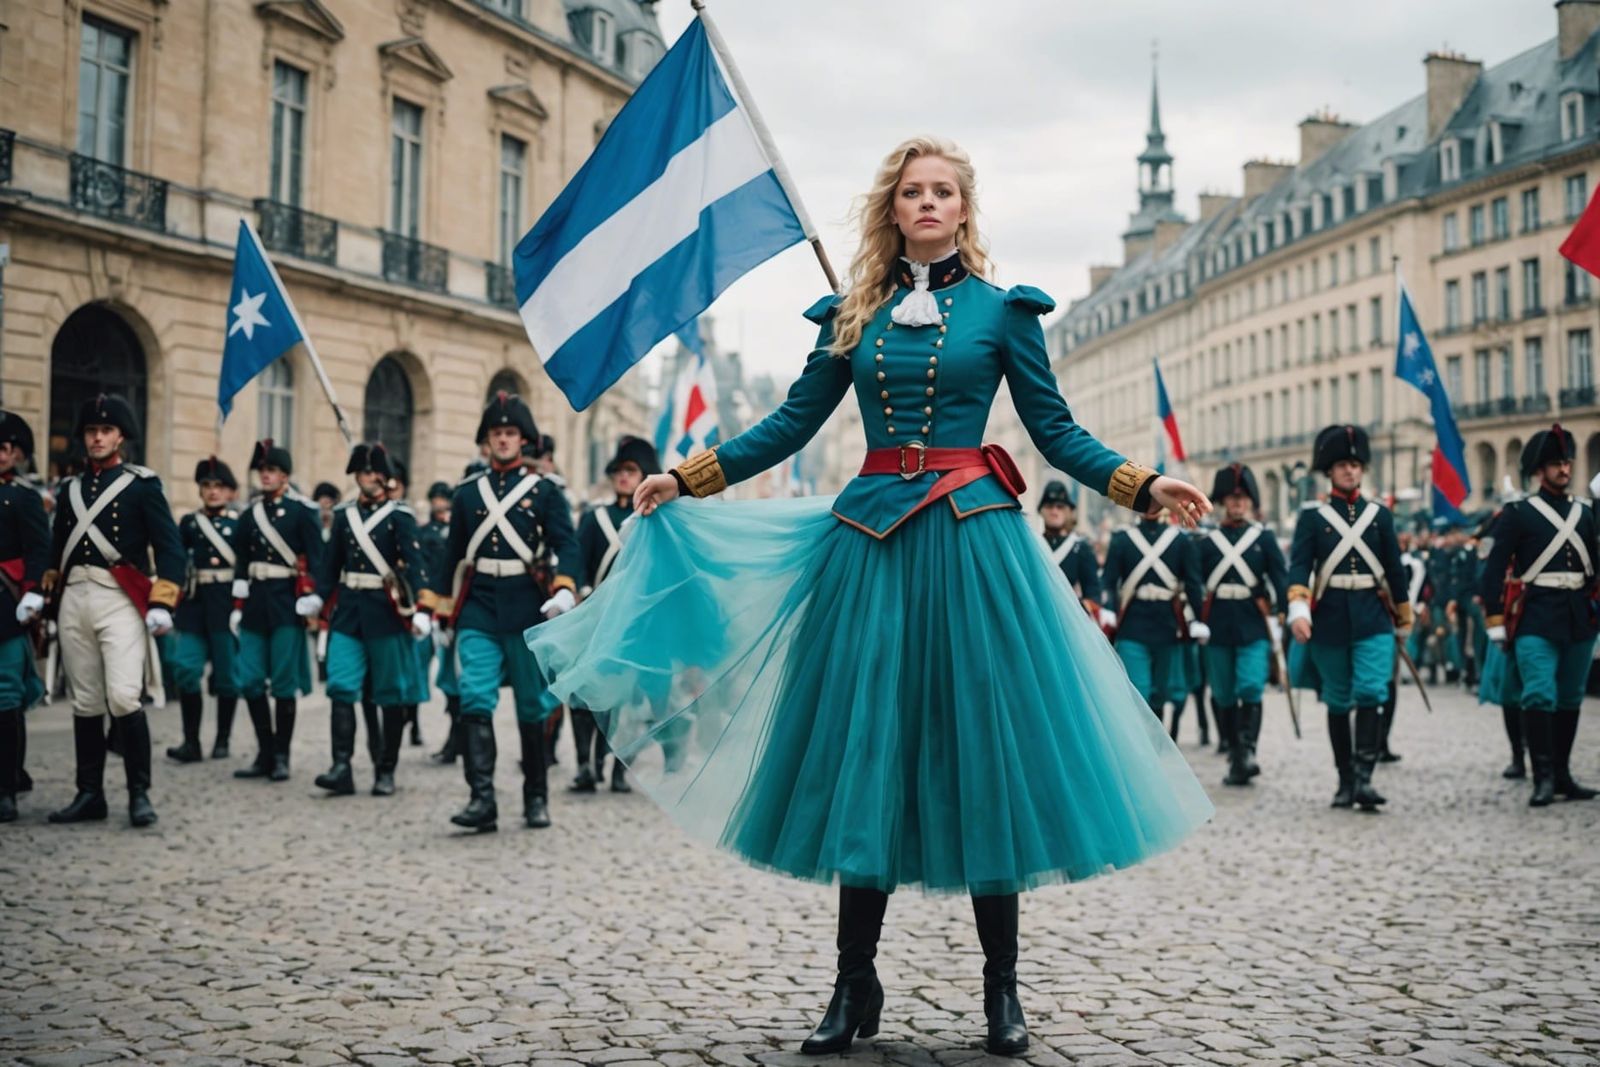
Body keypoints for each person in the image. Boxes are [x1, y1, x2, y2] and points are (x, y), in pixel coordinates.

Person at [525, 137, 1213, 1058]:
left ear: (964, 209)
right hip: (873, 552)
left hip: (975, 551)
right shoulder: (853, 316)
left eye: (943, 192)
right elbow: (789, 424)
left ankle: (1000, 988)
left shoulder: (1007, 313)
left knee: (986, 757)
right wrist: (686, 478)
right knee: (868, 757)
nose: (928, 203)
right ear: (893, 209)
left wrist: (1142, 483)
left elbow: (1054, 431)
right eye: (912, 192)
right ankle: (855, 983)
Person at [440, 393, 578, 832]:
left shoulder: (545, 492)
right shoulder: (466, 494)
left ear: (523, 440)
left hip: (525, 605)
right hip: (479, 604)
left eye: (510, 433)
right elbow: (451, 554)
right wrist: (432, 604)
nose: (503, 440)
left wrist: (564, 589)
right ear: (486, 441)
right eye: (496, 433)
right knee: (474, 697)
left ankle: (535, 797)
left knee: (531, 706)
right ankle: (482, 800)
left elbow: (566, 544)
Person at [44, 394, 184, 827]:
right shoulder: (69, 490)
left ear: (121, 436)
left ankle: (138, 794)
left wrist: (162, 600)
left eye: (105, 431)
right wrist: (41, 592)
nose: (97, 437)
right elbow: (56, 551)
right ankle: (90, 795)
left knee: (123, 695)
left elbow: (169, 548)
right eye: (90, 431)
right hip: (75, 598)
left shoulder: (142, 485)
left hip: (119, 598)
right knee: (85, 699)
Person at [1287, 425, 1409, 812]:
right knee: (1338, 699)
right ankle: (1344, 780)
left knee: (1373, 692)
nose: (1350, 472)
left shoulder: (1380, 516)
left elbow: (1394, 569)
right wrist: (1299, 609)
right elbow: (1300, 568)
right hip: (1331, 619)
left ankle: (1365, 779)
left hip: (1373, 617)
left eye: (1355, 465)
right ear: (1330, 470)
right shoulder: (1312, 518)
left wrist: (1403, 615)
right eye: (1343, 465)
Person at [1481, 424, 1598, 807]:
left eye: (1566, 462)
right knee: (1539, 694)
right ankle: (1542, 777)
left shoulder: (1585, 512)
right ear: (1539, 469)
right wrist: (1496, 621)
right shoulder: (1518, 514)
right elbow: (1494, 570)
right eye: (1555, 464)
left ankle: (1563, 775)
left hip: (1578, 616)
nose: (1564, 469)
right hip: (1535, 617)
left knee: (1569, 697)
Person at [311, 444, 433, 797]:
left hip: (386, 613)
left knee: (390, 694)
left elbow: (416, 565)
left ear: (385, 477)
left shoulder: (400, 517)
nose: (367, 478)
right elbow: (330, 565)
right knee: (341, 686)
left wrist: (423, 609)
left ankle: (385, 769)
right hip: (348, 612)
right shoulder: (344, 516)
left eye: (372, 472)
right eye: (362, 473)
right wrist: (318, 595)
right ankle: (341, 766)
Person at [568, 436, 659, 794]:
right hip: (596, 618)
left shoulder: (654, 520)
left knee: (626, 701)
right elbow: (576, 559)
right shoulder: (595, 518)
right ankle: (584, 766)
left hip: (636, 624)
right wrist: (578, 590)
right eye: (619, 471)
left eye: (631, 470)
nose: (623, 477)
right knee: (584, 694)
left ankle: (618, 768)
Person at [231, 440, 324, 781]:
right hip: (255, 602)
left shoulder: (303, 511)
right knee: (251, 680)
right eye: (262, 470)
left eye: (271, 470)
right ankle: (264, 753)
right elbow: (240, 553)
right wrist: (239, 589)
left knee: (283, 683)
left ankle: (282, 755)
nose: (265, 476)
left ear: (285, 475)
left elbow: (318, 558)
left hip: (287, 603)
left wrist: (312, 594)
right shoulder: (250, 513)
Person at [1196, 464, 1287, 786]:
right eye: (1232, 498)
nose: (1237, 503)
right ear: (1222, 501)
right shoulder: (1206, 543)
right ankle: (1235, 754)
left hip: (1252, 622)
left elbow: (1280, 578)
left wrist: (1285, 611)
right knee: (1222, 694)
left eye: (1243, 498)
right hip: (1218, 622)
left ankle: (1247, 751)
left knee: (1250, 686)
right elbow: (1196, 583)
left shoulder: (1264, 538)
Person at [167, 457, 242, 763]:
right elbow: (174, 557)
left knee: (227, 676)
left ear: (231, 493)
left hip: (225, 605)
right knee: (185, 669)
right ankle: (191, 741)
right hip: (194, 606)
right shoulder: (189, 523)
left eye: (219, 487)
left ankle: (222, 739)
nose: (212, 492)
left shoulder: (240, 525)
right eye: (207, 486)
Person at [1101, 512, 1207, 721]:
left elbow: (1193, 583)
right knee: (1138, 690)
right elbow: (1109, 581)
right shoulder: (1122, 539)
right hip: (1133, 624)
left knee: (1162, 691)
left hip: (1167, 625)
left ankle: (1158, 745)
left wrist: (1198, 619)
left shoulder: (1180, 540)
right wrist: (1108, 609)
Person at [0, 410, 48, 823]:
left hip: (5, 608)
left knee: (6, 697)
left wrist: (32, 593)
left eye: (5, 447)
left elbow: (39, 551)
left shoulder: (23, 498)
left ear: (16, 454)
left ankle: (8, 785)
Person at [386, 458, 429, 748]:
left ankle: (411, 723)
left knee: (410, 673)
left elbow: (418, 568)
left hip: (405, 605)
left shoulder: (405, 520)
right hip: (377, 605)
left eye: (395, 485)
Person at [421, 480, 461, 763]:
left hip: (466, 608)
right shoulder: (426, 533)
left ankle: (460, 740)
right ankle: (454, 739)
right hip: (440, 606)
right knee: (448, 681)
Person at [1037, 480, 1103, 620]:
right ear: (1041, 511)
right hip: (1037, 617)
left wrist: (1078, 609)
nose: (1054, 511)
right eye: (1049, 506)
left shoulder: (1081, 548)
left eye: (1060, 507)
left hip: (1069, 619)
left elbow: (1093, 594)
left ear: (1068, 512)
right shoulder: (1034, 545)